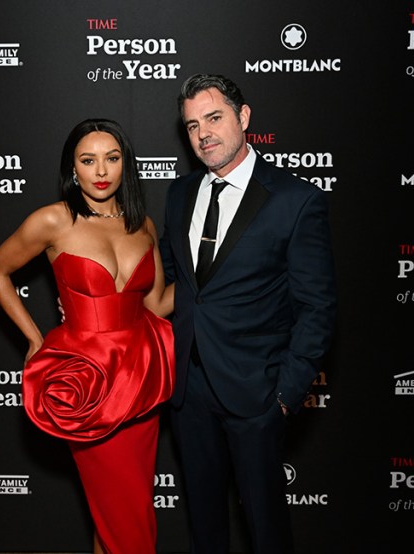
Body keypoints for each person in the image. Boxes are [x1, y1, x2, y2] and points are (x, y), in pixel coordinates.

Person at [159, 74, 337, 553]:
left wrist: (286, 392)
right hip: (189, 391)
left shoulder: (296, 201)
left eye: (214, 118)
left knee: (265, 526)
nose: (204, 134)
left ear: (243, 117)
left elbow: (317, 305)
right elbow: (174, 286)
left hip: (257, 392)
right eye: (193, 125)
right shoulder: (179, 196)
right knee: (203, 522)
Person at [0, 118, 175, 554]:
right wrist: (34, 339)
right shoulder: (54, 220)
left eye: (112, 158)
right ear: (73, 168)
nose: (101, 170)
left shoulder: (141, 224)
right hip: (90, 386)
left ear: (125, 164)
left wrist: (215, 275)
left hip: (142, 382)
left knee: (122, 510)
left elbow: (156, 305)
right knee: (124, 518)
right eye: (88, 160)